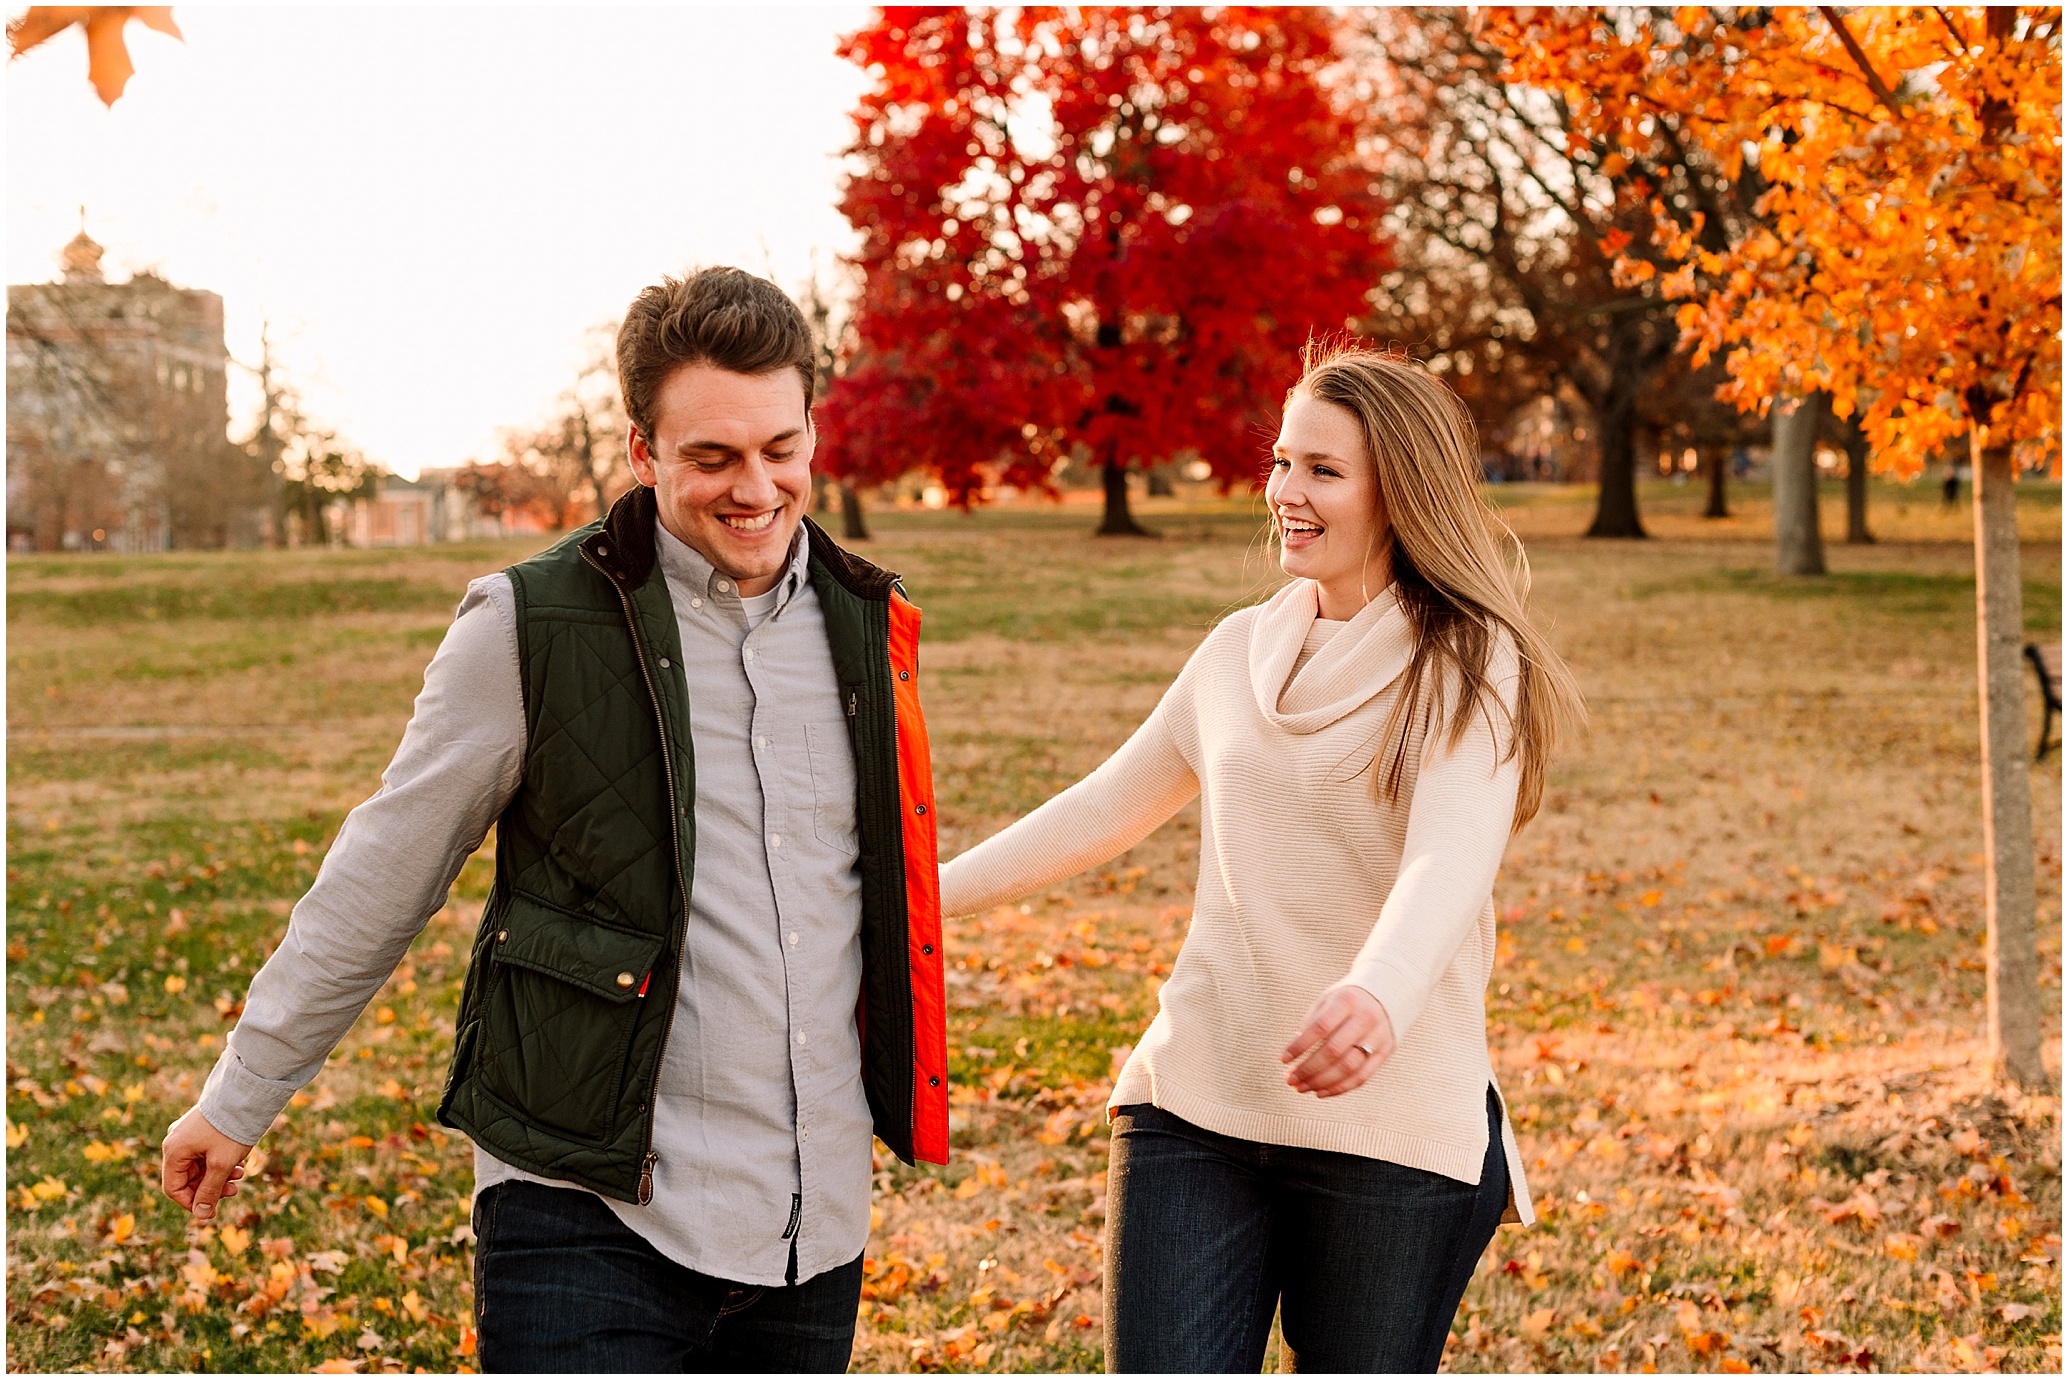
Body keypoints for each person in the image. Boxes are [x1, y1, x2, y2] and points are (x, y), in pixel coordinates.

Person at [158, 267, 949, 1373]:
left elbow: (865, 888)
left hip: (807, 1235)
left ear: (813, 429)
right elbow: (384, 870)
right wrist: (241, 1096)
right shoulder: (527, 624)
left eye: (780, 449)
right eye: (711, 458)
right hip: (586, 1216)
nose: (756, 489)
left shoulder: (867, 624)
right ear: (641, 451)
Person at [939, 344, 1586, 1373]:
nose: (1284, 490)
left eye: (1322, 470)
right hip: (1196, 1100)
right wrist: (917, 906)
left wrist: (1375, 994)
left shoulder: (1466, 662)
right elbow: (1104, 807)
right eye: (1283, 461)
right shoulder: (1237, 649)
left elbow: (1449, 858)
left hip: (1387, 1122)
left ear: (1398, 489)